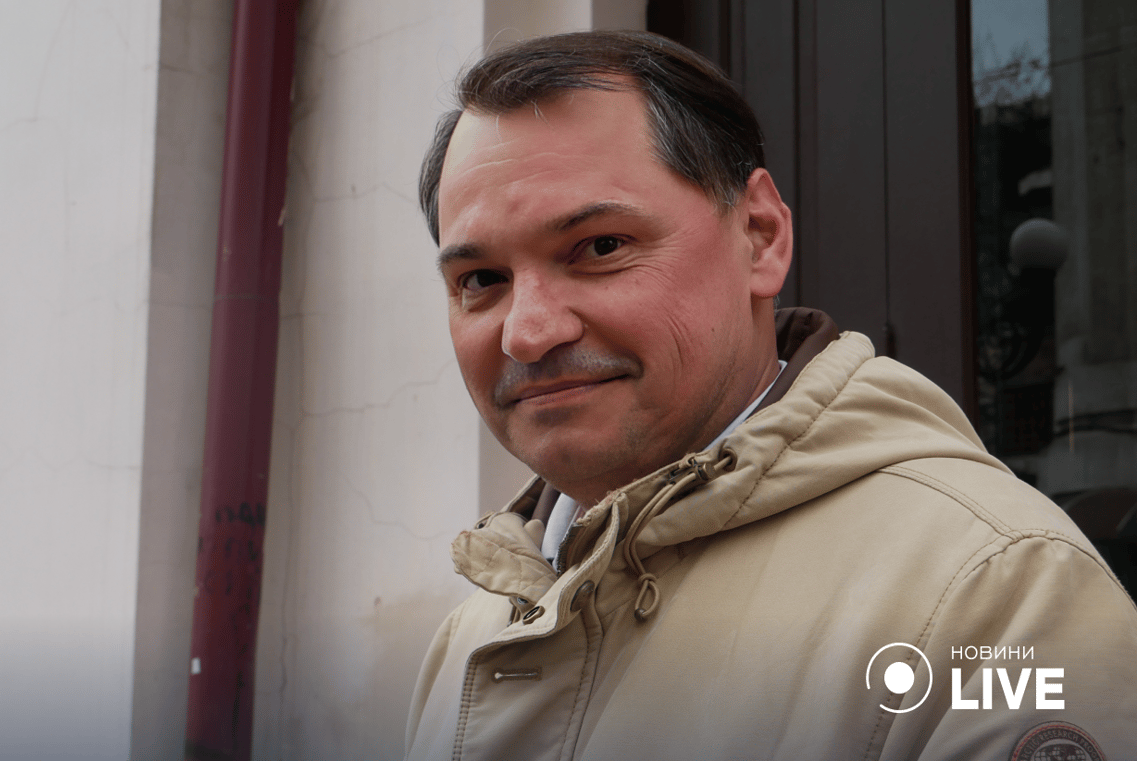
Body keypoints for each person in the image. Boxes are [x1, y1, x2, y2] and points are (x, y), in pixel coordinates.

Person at [404, 30, 1137, 760]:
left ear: (760, 235)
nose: (528, 333)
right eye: (481, 280)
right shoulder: (473, 635)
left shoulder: (998, 594)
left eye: (601, 247)